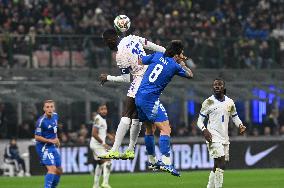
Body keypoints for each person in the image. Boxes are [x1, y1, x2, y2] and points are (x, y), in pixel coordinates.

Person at [99, 28, 166, 160]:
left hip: (140, 78)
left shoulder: (120, 55)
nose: (107, 45)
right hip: (151, 76)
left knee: (127, 113)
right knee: (136, 116)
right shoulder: (132, 37)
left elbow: (126, 79)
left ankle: (115, 150)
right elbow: (151, 45)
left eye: (106, 42)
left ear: (111, 39)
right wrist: (166, 52)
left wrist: (108, 78)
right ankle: (130, 149)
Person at [135, 40, 193, 177]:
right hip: (151, 99)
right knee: (166, 129)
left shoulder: (156, 56)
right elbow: (190, 75)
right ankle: (166, 162)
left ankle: (152, 161)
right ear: (177, 55)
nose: (183, 55)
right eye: (182, 53)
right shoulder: (175, 66)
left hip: (139, 96)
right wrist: (182, 63)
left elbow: (139, 61)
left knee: (150, 128)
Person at [196, 78, 246, 188]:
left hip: (224, 137)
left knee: (217, 165)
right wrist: (205, 130)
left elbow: (235, 117)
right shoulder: (208, 102)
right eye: (214, 85)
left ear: (224, 87)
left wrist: (240, 125)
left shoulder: (230, 102)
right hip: (212, 136)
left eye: (219, 84)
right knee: (221, 162)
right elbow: (199, 121)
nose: (216, 86)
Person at [34, 100, 62, 188]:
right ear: (44, 109)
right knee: (52, 169)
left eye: (51, 106)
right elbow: (36, 137)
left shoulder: (56, 116)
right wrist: (50, 141)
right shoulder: (41, 121)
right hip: (44, 147)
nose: (50, 109)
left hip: (52, 146)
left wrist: (57, 139)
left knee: (59, 170)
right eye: (47, 107)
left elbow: (55, 130)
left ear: (54, 108)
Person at [90, 104, 114, 188]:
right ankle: (105, 183)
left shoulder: (102, 119)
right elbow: (94, 133)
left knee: (100, 164)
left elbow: (101, 131)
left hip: (96, 144)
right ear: (98, 111)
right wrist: (103, 143)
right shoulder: (98, 119)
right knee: (108, 161)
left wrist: (108, 135)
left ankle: (95, 185)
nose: (104, 111)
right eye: (102, 109)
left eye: (105, 109)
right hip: (97, 145)